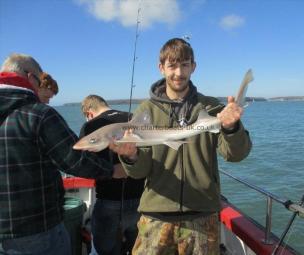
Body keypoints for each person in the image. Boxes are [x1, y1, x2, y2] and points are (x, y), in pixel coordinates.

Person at [110, 38, 252, 255]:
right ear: (161, 68)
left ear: (193, 67)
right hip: (155, 215)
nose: (179, 72)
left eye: (185, 65)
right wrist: (131, 157)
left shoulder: (210, 106)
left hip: (202, 217)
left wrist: (231, 127)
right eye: (172, 65)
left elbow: (235, 155)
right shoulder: (146, 111)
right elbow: (139, 172)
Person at [0, 53, 125, 255]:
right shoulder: (38, 114)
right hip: (37, 229)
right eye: (40, 81)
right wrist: (113, 170)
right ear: (30, 77)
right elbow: (73, 158)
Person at [80, 95, 144, 255]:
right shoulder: (132, 119)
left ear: (89, 113)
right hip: (140, 200)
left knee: (105, 251)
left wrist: (114, 170)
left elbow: (85, 164)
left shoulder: (91, 127)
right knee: (139, 250)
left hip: (108, 201)